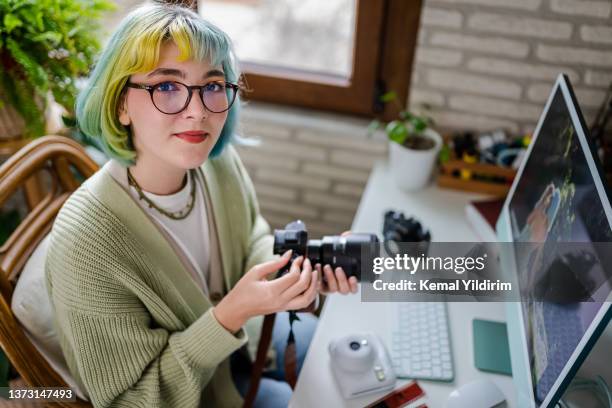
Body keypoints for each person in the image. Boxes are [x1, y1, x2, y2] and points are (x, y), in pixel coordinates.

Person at [44, 3, 358, 408]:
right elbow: (131, 400)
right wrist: (227, 315)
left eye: (212, 86)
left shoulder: (217, 163)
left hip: (243, 342)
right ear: (121, 103)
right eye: (167, 87)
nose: (198, 113)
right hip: (200, 391)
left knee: (337, 352)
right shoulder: (86, 244)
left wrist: (296, 273)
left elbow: (252, 237)